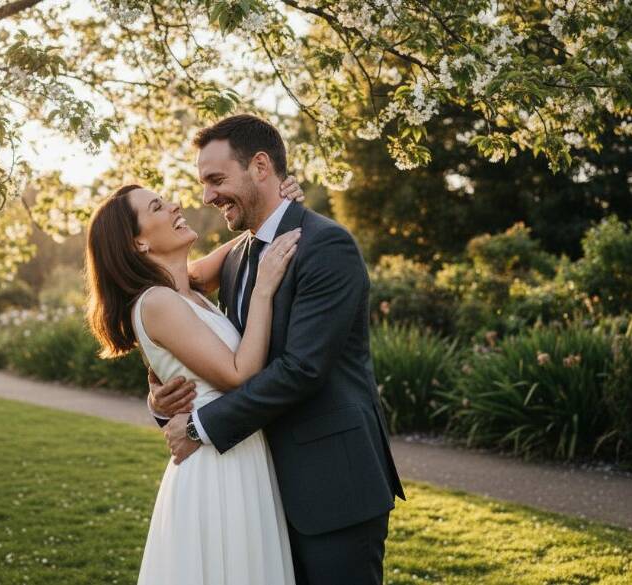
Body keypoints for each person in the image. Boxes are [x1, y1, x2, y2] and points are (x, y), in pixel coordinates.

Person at [149, 114, 406, 585]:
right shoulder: (236, 257)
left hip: (333, 488)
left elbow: (302, 369)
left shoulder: (325, 245)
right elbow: (181, 318)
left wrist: (200, 427)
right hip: (260, 494)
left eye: (216, 179)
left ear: (261, 167)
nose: (207, 196)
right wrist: (161, 397)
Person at [84, 173, 305, 584]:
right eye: (157, 207)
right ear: (138, 243)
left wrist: (279, 201)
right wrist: (263, 290)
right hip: (217, 468)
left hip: (238, 453)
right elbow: (238, 375)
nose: (175, 206)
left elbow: (253, 239)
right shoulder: (158, 302)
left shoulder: (188, 288)